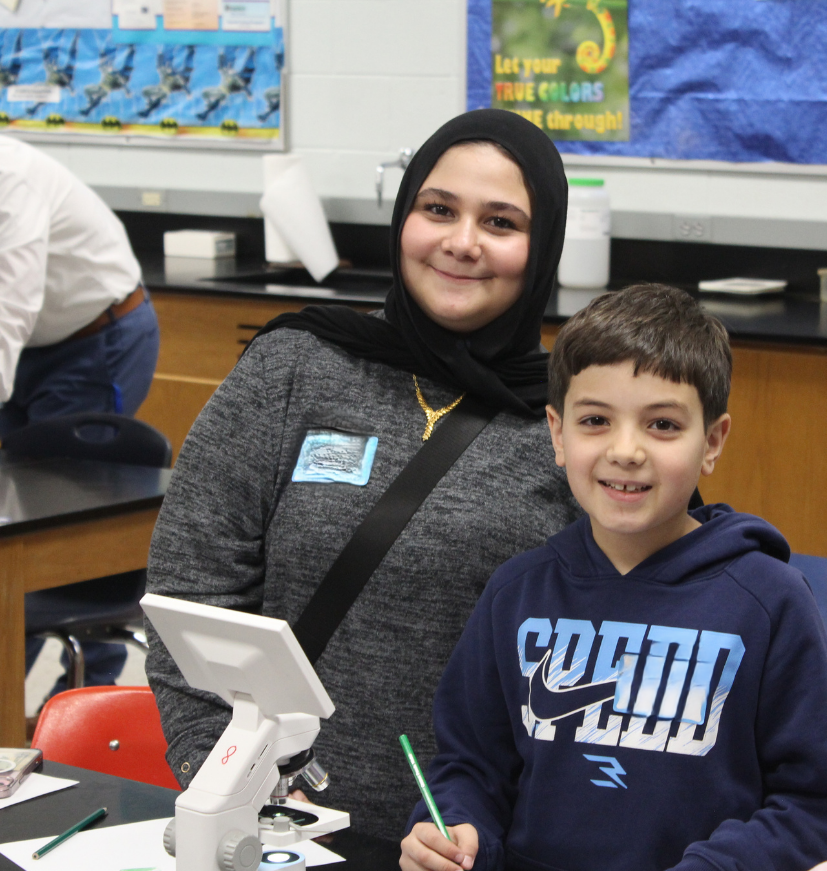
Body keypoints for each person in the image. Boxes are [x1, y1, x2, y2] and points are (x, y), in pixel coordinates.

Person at [144, 108, 584, 838]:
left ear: (542, 251)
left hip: (477, 842)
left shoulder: (576, 418)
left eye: (500, 222)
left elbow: (638, 630)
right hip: (280, 831)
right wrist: (224, 777)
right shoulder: (296, 364)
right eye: (437, 209)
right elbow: (191, 591)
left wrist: (502, 828)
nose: (462, 242)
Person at [401, 285, 827, 871]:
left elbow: (823, 808)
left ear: (713, 442)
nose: (626, 451)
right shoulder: (516, 592)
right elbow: (469, 767)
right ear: (557, 434)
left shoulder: (769, 602)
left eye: (663, 426)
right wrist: (454, 829)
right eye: (595, 420)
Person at [0, 133, 161, 694]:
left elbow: (8, 312)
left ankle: (84, 709)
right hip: (30, 347)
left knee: (69, 510)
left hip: (95, 340)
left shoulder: (10, 182)